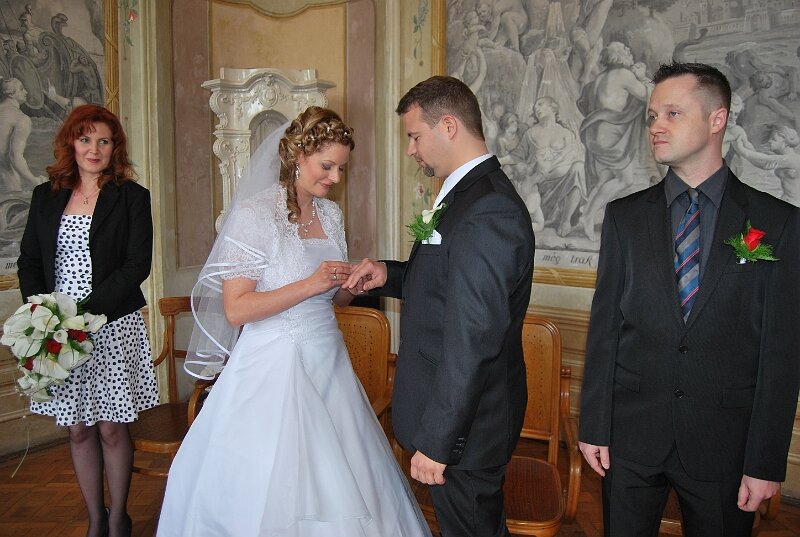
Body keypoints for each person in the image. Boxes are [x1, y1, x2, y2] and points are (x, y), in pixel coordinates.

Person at [156, 107, 431, 537]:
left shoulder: (331, 215)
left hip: (328, 361)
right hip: (272, 365)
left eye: (341, 168)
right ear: (298, 156)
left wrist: (350, 287)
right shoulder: (253, 215)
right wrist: (310, 284)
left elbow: (332, 298)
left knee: (347, 474)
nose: (335, 177)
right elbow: (236, 309)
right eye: (327, 166)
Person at [579, 62, 800, 536]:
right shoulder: (624, 217)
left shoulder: (777, 223)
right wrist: (593, 426)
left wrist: (765, 461)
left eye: (673, 113)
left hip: (723, 446)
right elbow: (605, 331)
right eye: (652, 116)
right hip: (631, 440)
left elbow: (780, 355)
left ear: (717, 119)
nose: (656, 126)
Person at [344, 76, 535, 537]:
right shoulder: (459, 195)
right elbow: (440, 281)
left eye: (415, 136)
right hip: (457, 419)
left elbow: (473, 338)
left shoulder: (489, 209)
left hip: (467, 429)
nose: (411, 150)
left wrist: (438, 440)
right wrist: (388, 274)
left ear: (448, 126)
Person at [17, 104, 157, 537]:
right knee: (77, 429)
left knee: (112, 428)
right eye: (85, 139)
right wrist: (43, 315)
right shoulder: (45, 196)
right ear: (71, 144)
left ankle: (118, 518)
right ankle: (96, 518)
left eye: (103, 140)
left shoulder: (132, 197)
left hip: (112, 325)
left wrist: (84, 316)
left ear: (115, 148)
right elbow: (30, 261)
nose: (94, 149)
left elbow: (136, 266)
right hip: (58, 330)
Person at [0, 78, 46, 192]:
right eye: (21, 89)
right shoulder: (21, 119)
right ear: (11, 94)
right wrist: (35, 181)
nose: (26, 92)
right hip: (5, 178)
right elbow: (15, 157)